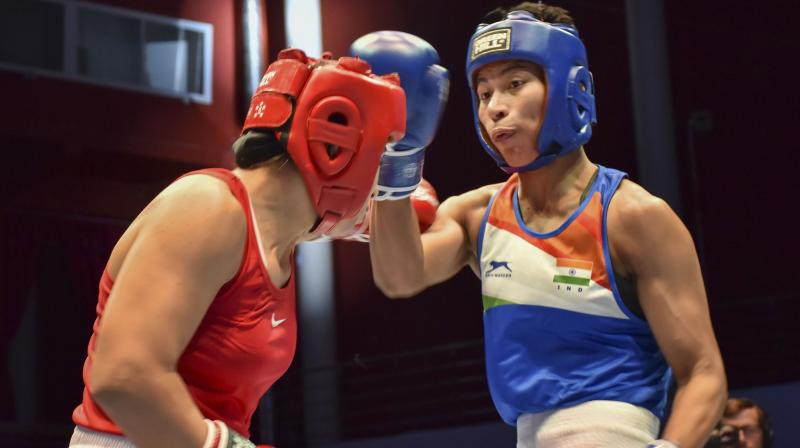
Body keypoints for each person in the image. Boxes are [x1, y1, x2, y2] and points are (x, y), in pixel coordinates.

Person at [355, 3, 727, 447]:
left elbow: (704, 374)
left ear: (570, 87)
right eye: (484, 92)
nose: (495, 107)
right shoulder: (477, 215)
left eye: (515, 84)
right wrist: (397, 157)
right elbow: (401, 276)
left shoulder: (633, 217)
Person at [68, 48, 407, 447]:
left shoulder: (280, 230)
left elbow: (388, 227)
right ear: (335, 151)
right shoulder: (207, 209)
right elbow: (123, 377)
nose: (380, 181)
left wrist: (410, 185)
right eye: (380, 155)